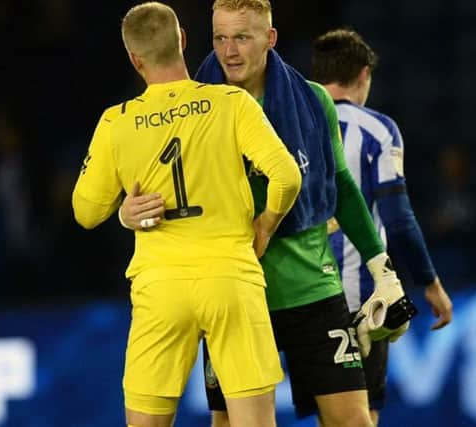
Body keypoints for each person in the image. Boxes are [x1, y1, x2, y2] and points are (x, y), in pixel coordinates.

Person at [120, 2, 417, 427]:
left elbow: (342, 186)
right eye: (221, 38)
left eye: (242, 37)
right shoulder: (182, 110)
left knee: (353, 421)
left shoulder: (313, 101)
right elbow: (148, 188)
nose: (229, 51)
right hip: (234, 296)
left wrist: (381, 268)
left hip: (312, 289)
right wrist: (127, 214)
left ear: (270, 38)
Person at [71, 3, 303, 427]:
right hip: (230, 279)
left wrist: (125, 214)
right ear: (182, 39)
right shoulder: (230, 102)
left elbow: (85, 212)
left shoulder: (115, 123)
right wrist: (266, 224)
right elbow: (287, 177)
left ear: (134, 59)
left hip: (160, 287)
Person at [311, 27, 454, 426]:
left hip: (300, 296)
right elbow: (397, 216)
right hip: (361, 301)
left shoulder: (291, 127)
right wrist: (430, 283)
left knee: (325, 414)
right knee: (361, 415)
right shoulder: (376, 130)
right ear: (363, 75)